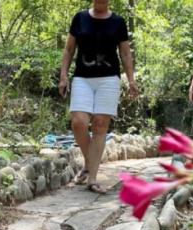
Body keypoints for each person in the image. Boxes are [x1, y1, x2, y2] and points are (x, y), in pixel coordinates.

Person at [59, 0, 138, 194]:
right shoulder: (80, 18)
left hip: (109, 79)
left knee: (100, 125)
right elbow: (69, 49)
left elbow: (125, 53)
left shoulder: (118, 22)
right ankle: (89, 162)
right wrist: (63, 76)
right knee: (78, 122)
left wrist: (131, 79)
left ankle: (92, 177)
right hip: (82, 78)